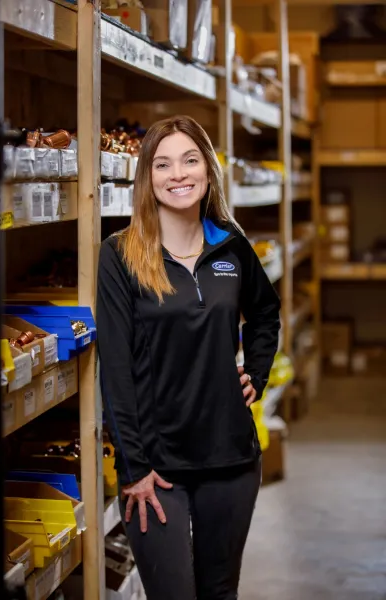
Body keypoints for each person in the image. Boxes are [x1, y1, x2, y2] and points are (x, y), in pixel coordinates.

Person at [96, 115, 280, 600]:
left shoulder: (231, 245)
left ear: (208, 169)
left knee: (220, 592)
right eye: (162, 163)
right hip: (158, 467)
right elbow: (114, 367)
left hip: (230, 458)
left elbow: (266, 314)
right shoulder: (120, 255)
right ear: (147, 177)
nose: (178, 174)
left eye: (190, 159)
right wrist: (133, 467)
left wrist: (256, 375)